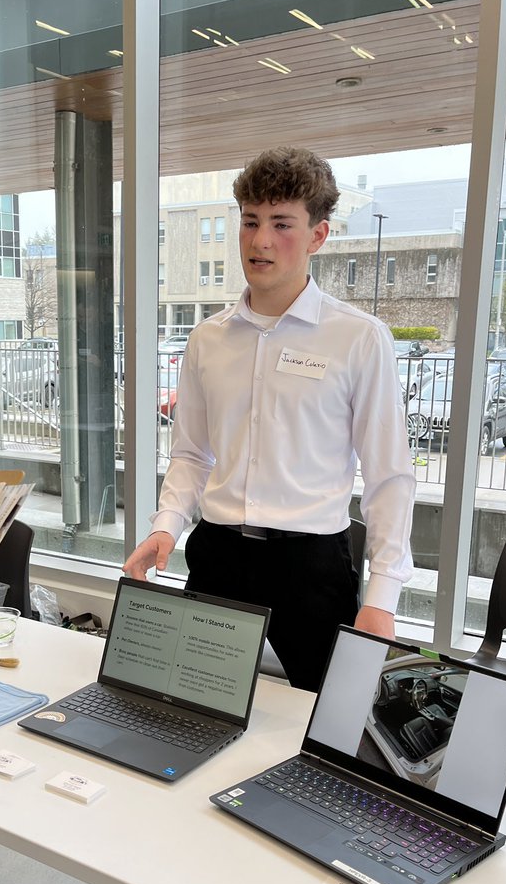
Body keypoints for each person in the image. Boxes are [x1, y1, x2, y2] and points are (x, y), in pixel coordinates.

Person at [124, 146, 415, 692]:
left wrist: (383, 599)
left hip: (311, 566)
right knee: (190, 706)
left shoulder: (358, 338)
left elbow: (389, 477)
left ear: (318, 236)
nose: (261, 241)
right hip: (219, 556)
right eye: (251, 222)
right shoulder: (207, 339)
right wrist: (166, 526)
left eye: (282, 224)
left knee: (328, 727)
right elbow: (192, 454)